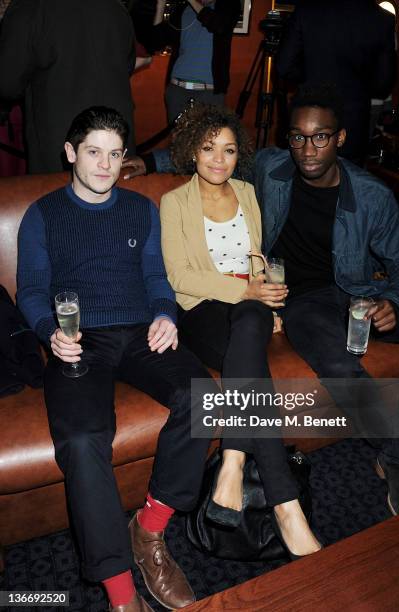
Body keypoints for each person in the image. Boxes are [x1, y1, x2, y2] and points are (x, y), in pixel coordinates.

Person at [121, 84, 399, 516]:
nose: (307, 149)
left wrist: (397, 303)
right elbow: (211, 152)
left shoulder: (371, 196)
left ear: (340, 138)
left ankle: (398, 451)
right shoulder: (273, 169)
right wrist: (148, 160)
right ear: (287, 139)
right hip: (301, 300)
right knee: (335, 358)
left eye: (321, 137)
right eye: (298, 137)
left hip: (358, 292)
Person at [16, 106, 219, 612]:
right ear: (70, 153)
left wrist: (166, 314)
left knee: (204, 394)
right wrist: (50, 334)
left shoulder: (139, 208)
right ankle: (121, 593)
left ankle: (149, 529)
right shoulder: (43, 214)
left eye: (114, 154)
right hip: (79, 338)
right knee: (83, 439)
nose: (105, 165)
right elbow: (33, 290)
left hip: (138, 331)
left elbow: (156, 277)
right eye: (93, 152)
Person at [159, 102, 321, 558]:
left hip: (247, 312)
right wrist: (248, 294)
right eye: (209, 148)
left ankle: (235, 459)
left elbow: (257, 258)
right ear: (193, 151)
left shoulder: (248, 192)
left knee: (250, 324)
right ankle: (285, 503)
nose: (218, 159)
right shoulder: (174, 202)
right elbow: (179, 277)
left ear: (238, 157)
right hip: (201, 312)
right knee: (248, 319)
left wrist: (267, 291)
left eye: (229, 150)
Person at [0, 0, 136, 174]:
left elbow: (8, 84)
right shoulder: (116, 7)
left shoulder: (30, 7)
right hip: (115, 135)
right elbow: (127, 66)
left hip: (62, 141)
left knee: (59, 199)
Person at [275, 0, 397, 165]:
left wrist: (313, 78)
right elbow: (383, 84)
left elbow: (284, 67)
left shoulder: (308, 9)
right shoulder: (382, 18)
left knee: (300, 177)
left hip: (310, 116)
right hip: (353, 121)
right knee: (348, 181)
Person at [145, 0, 240, 124]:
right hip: (177, 90)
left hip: (209, 93)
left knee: (208, 141)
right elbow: (156, 42)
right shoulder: (183, 9)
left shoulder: (228, 4)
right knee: (179, 142)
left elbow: (219, 26)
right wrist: (160, 6)